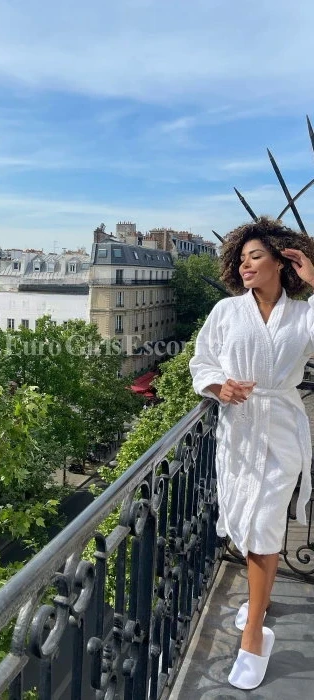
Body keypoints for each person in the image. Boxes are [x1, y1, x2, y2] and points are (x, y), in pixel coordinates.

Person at [189, 216, 314, 690]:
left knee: (263, 524)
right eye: (241, 259)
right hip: (239, 430)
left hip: (281, 429)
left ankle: (253, 635)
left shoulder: (303, 315)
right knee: (246, 521)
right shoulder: (226, 311)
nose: (245, 265)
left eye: (255, 256)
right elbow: (202, 360)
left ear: (282, 261)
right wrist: (219, 386)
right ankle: (258, 603)